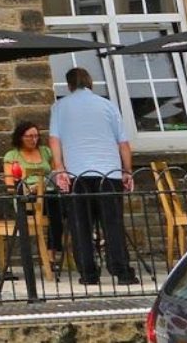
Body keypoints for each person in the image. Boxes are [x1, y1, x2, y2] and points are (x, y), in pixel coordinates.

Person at [46, 67, 135, 283]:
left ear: (69, 85)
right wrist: (127, 171)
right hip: (108, 172)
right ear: (90, 82)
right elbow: (123, 143)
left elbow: (54, 140)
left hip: (77, 172)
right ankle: (121, 271)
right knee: (112, 223)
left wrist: (60, 169)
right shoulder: (108, 106)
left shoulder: (60, 107)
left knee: (80, 224)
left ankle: (88, 273)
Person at [3, 118, 63, 258]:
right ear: (20, 137)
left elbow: (55, 173)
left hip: (48, 192)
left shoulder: (45, 152)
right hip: (27, 195)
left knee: (57, 204)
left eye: (36, 136)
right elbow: (10, 183)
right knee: (55, 206)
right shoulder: (12, 156)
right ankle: (52, 253)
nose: (33, 140)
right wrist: (31, 188)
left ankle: (52, 251)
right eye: (29, 136)